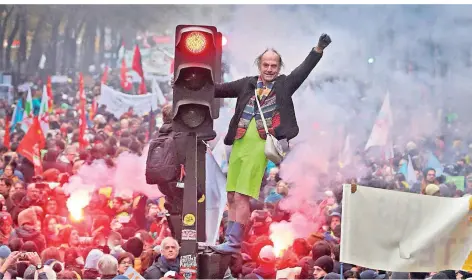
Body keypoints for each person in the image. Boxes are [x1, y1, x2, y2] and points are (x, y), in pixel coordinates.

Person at [211, 33, 332, 254]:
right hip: (238, 143)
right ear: (259, 65)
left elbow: (302, 71)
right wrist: (187, 81)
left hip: (259, 146)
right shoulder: (247, 84)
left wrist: (317, 50)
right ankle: (229, 238)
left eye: (273, 65)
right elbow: (218, 89)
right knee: (231, 195)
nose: (269, 69)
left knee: (241, 196)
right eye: (266, 64)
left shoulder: (284, 85)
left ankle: (234, 242)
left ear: (279, 67)